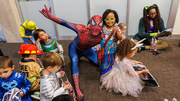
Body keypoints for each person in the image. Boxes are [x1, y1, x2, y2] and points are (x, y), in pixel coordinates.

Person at [40, 5, 103, 100]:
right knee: (74, 61)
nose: (96, 28)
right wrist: (50, 17)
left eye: (99, 25)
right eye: (94, 24)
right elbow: (65, 23)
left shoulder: (102, 35)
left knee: (98, 62)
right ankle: (78, 90)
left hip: (87, 50)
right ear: (89, 24)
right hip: (75, 49)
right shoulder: (81, 29)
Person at [100, 9, 123, 76]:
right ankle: (104, 73)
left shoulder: (116, 28)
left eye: (112, 18)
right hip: (104, 48)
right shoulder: (103, 27)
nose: (110, 21)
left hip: (112, 48)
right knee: (104, 59)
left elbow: (120, 38)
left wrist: (117, 32)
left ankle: (111, 72)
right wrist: (89, 25)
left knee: (112, 59)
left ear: (115, 19)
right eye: (107, 19)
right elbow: (94, 30)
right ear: (104, 20)